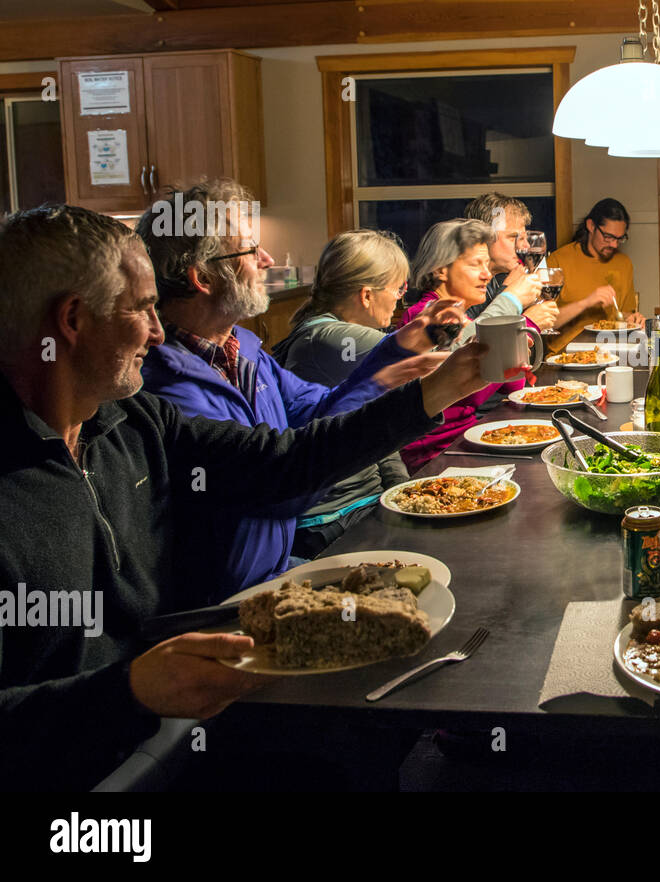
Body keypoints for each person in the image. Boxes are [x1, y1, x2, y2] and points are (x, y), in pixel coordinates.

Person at [0, 204, 493, 790]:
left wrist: (434, 388)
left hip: (177, 716)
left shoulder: (130, 419)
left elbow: (284, 461)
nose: (157, 333)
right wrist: (128, 689)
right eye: (142, 307)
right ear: (73, 320)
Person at [137, 182, 457, 600]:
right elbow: (279, 488)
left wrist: (392, 357)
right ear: (203, 277)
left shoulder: (244, 350)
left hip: (276, 573)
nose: (267, 260)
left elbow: (319, 411)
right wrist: (424, 393)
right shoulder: (164, 386)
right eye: (251, 252)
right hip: (221, 606)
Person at [272, 229, 458, 559]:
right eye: (397, 288)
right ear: (366, 295)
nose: (400, 300)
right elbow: (446, 359)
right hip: (330, 521)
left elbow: (377, 432)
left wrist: (402, 492)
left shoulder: (325, 332)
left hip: (361, 503)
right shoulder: (331, 338)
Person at [400, 218, 535, 472]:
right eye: (476, 265)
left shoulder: (466, 318)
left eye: (487, 264)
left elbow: (513, 385)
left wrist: (512, 351)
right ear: (440, 270)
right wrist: (510, 303)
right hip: (434, 458)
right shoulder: (423, 317)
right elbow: (457, 390)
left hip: (467, 443)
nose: (486, 274)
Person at [547, 198, 645, 351]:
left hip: (612, 351)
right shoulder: (558, 260)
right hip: (564, 354)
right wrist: (586, 302)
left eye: (620, 239)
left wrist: (632, 319)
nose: (614, 245)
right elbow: (546, 323)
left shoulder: (624, 263)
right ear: (591, 225)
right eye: (608, 237)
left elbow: (623, 313)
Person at [462, 192, 557, 329]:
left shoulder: (504, 278)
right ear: (482, 237)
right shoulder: (461, 285)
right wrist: (507, 292)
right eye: (513, 237)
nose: (526, 246)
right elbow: (472, 341)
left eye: (524, 238)